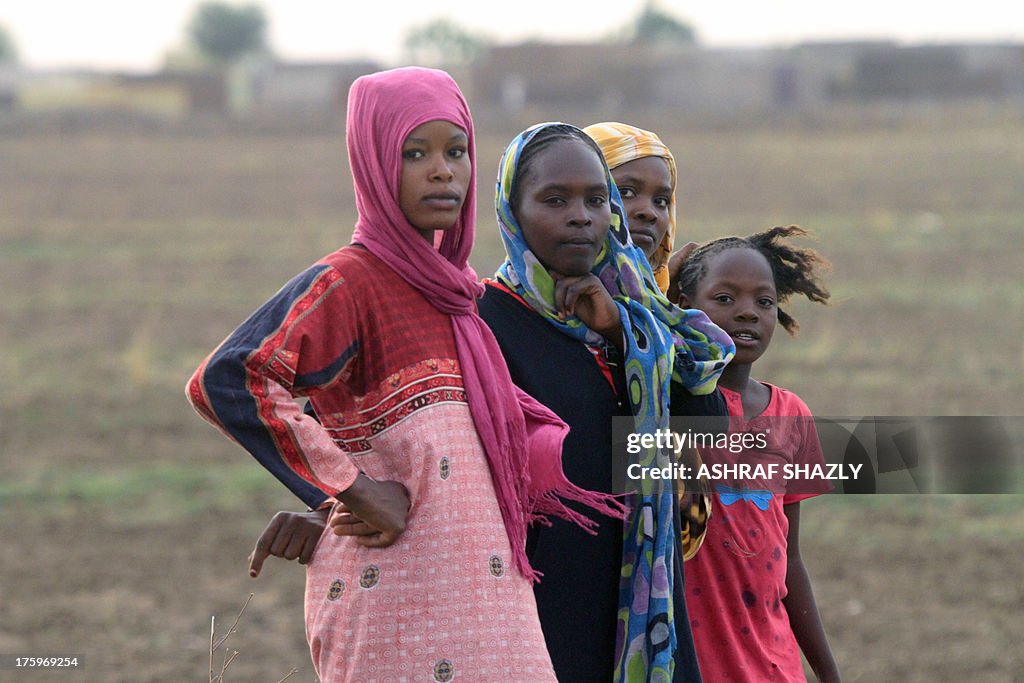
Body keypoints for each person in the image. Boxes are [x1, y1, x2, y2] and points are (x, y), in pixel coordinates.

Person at [185, 68, 620, 683]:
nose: (442, 170)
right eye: (414, 153)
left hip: (490, 598)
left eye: (456, 151)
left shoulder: (460, 298)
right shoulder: (352, 281)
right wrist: (347, 490)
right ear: (371, 162)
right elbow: (231, 379)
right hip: (394, 594)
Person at [477, 122, 735, 682]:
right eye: (555, 199)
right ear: (510, 210)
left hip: (647, 610)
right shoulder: (483, 322)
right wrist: (328, 501)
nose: (582, 216)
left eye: (597, 200)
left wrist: (626, 335)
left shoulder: (644, 321)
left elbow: (706, 445)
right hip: (538, 608)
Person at [673, 226, 841, 682]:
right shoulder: (663, 406)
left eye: (763, 302)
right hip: (693, 664)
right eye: (724, 299)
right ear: (683, 307)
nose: (747, 312)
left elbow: (791, 560)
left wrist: (827, 670)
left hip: (773, 665)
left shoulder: (791, 414)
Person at [585, 121, 725, 561]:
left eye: (661, 200)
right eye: (625, 192)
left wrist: (641, 328)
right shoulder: (520, 308)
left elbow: (709, 427)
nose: (648, 211)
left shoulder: (667, 316)